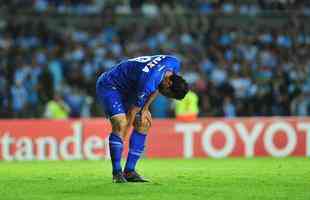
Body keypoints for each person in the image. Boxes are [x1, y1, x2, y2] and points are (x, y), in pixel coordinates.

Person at [96, 55, 189, 183]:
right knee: (121, 124)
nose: (165, 95)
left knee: (143, 123)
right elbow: (132, 113)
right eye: (168, 94)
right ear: (169, 82)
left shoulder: (173, 63)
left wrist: (145, 108)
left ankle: (129, 171)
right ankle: (117, 172)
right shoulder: (149, 80)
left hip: (132, 89)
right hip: (111, 86)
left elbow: (157, 86)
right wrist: (123, 135)